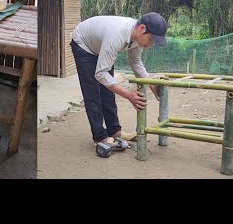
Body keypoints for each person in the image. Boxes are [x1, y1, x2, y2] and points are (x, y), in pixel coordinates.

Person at [70, 12, 168, 151]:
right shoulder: (116, 36)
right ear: (142, 28)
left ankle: (115, 132)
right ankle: (100, 137)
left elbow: (135, 62)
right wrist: (129, 95)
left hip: (101, 45)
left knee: (108, 92)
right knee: (93, 94)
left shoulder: (138, 39)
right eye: (151, 39)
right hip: (84, 44)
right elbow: (100, 74)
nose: (150, 44)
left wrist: (151, 83)